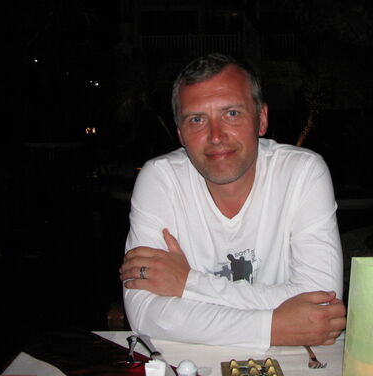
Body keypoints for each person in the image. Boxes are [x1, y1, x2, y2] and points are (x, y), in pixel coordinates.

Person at [119, 53, 346, 350]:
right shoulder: (161, 179)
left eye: (232, 114)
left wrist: (189, 284)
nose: (215, 136)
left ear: (261, 120)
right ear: (180, 134)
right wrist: (273, 327)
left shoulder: (302, 173)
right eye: (197, 119)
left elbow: (323, 304)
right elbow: (145, 314)